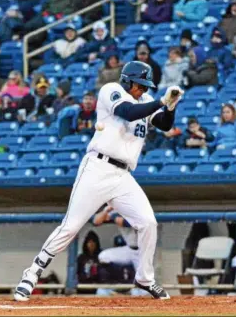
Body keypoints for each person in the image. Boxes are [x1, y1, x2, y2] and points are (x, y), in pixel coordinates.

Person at [13, 61, 184, 301]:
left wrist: (172, 105)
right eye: (140, 85)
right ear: (128, 81)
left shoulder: (146, 100)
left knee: (148, 223)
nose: (143, 90)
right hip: (97, 168)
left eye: (146, 86)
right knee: (71, 227)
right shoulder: (111, 90)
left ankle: (145, 278)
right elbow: (127, 112)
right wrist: (161, 102)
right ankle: (32, 273)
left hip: (123, 175)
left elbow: (165, 124)